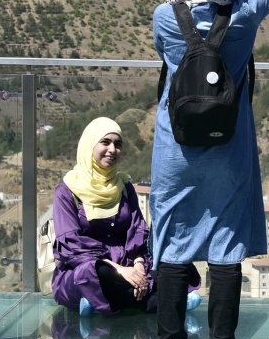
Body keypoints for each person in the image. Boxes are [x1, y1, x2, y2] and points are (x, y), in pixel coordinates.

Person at [151, 0, 269, 339]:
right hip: (229, 143)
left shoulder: (165, 15)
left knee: (173, 241)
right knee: (226, 244)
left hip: (175, 146)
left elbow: (166, 56)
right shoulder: (246, 13)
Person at [51, 117, 201, 317]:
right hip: (88, 266)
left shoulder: (124, 187)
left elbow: (138, 230)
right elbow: (71, 247)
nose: (112, 150)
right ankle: (162, 302)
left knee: (169, 262)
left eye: (118, 144)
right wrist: (120, 271)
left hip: (129, 262)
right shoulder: (67, 190)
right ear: (89, 145)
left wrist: (138, 265)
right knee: (95, 273)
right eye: (105, 142)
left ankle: (103, 301)